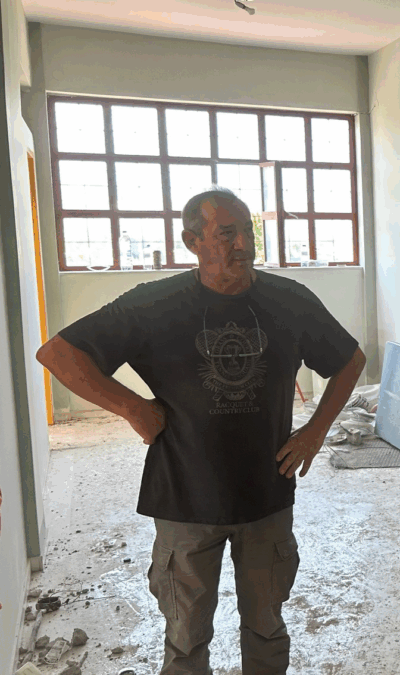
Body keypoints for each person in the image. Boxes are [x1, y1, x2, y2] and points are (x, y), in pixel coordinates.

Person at [36, 188, 366, 675]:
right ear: (192, 242)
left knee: (267, 629)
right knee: (186, 639)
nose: (243, 245)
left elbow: (350, 360)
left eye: (247, 231)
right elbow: (59, 354)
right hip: (184, 500)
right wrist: (131, 407)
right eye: (226, 234)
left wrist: (315, 432)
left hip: (266, 496)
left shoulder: (289, 301)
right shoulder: (156, 304)